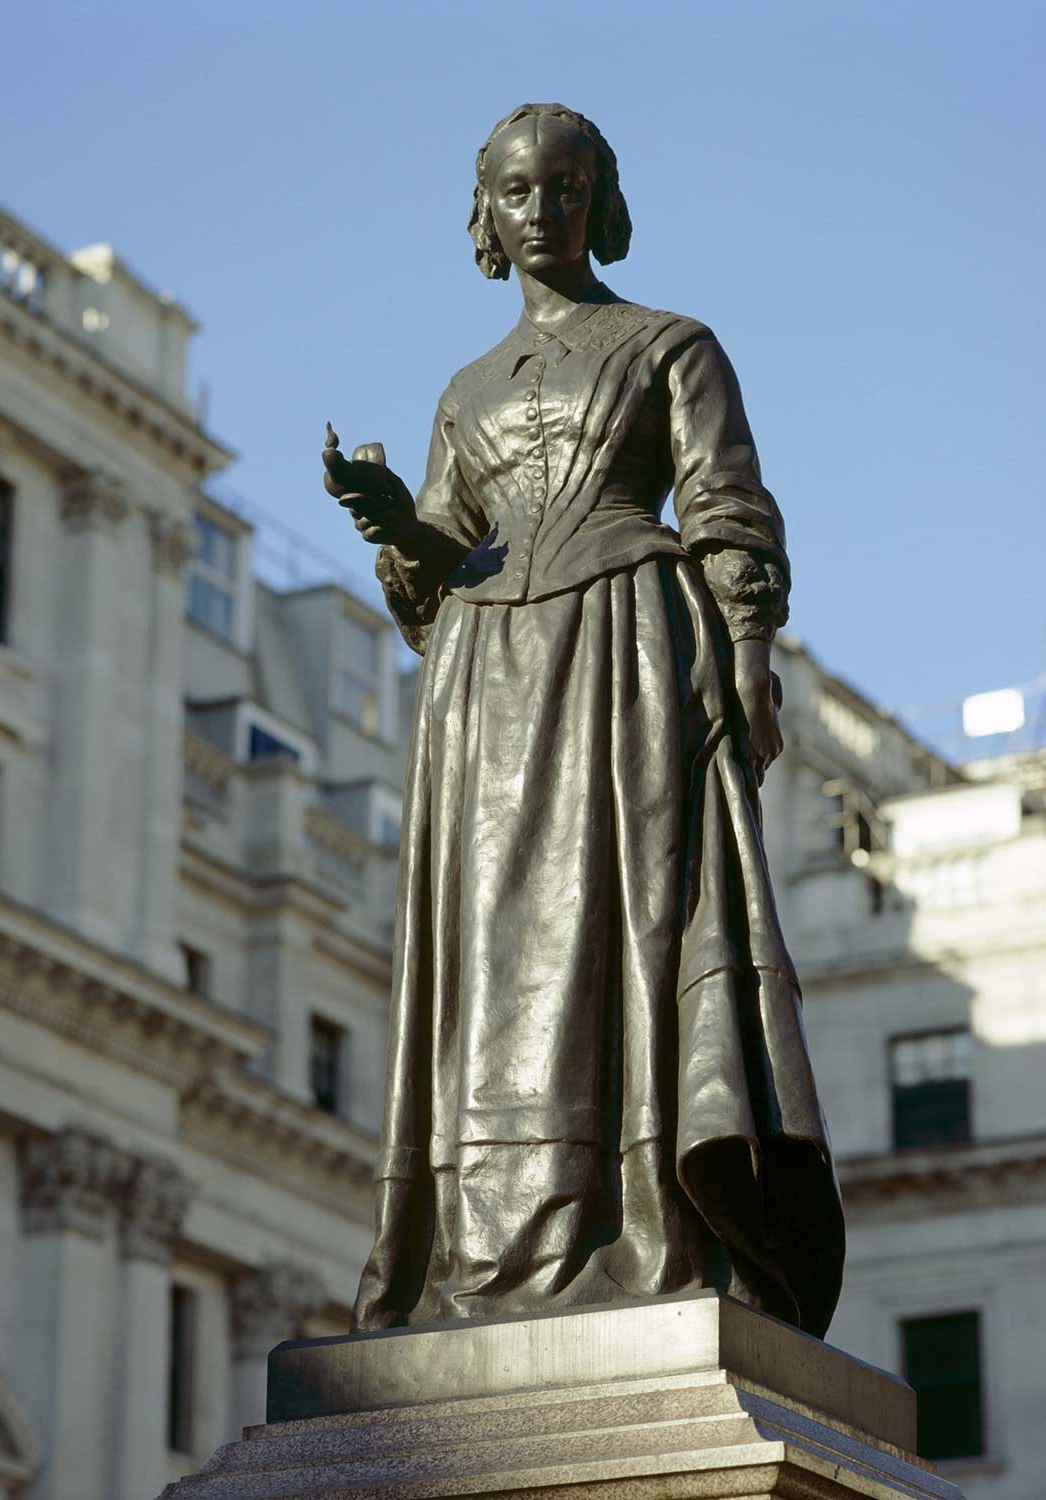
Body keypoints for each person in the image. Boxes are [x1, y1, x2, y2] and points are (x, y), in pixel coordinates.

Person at [323, 103, 844, 1338]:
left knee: (628, 923)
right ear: (485, 219)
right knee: (499, 949)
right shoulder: (464, 391)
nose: (542, 211)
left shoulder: (673, 343)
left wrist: (751, 653)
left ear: (600, 202)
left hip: (627, 646)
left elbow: (727, 504)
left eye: (566, 189)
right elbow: (437, 575)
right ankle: (497, 1234)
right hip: (488, 672)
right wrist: (396, 521)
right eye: (517, 193)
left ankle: (649, 1215)